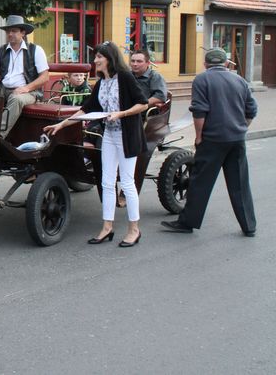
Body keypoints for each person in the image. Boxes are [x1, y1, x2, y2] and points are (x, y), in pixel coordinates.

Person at [44, 41, 148, 247]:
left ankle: (134, 229)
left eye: (99, 57)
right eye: (96, 56)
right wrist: (61, 125)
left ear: (109, 58)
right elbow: (86, 109)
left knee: (127, 183)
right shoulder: (101, 83)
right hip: (109, 135)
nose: (95, 60)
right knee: (107, 182)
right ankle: (107, 227)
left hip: (127, 136)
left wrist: (121, 113)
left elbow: (143, 103)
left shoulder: (125, 78)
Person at [161, 48, 258, 237]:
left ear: (205, 64)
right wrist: (242, 128)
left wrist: (198, 137)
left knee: (200, 182)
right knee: (240, 183)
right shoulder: (240, 80)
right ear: (226, 64)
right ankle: (249, 226)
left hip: (213, 139)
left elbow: (199, 111)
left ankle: (187, 222)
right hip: (236, 139)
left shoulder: (202, 79)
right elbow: (251, 110)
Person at [0, 15, 49, 139]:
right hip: (3, 89)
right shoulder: (0, 50)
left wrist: (26, 88)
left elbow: (45, 77)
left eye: (14, 31)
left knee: (17, 99)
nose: (10, 34)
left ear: (23, 33)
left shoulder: (36, 50)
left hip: (29, 92)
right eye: (8, 31)